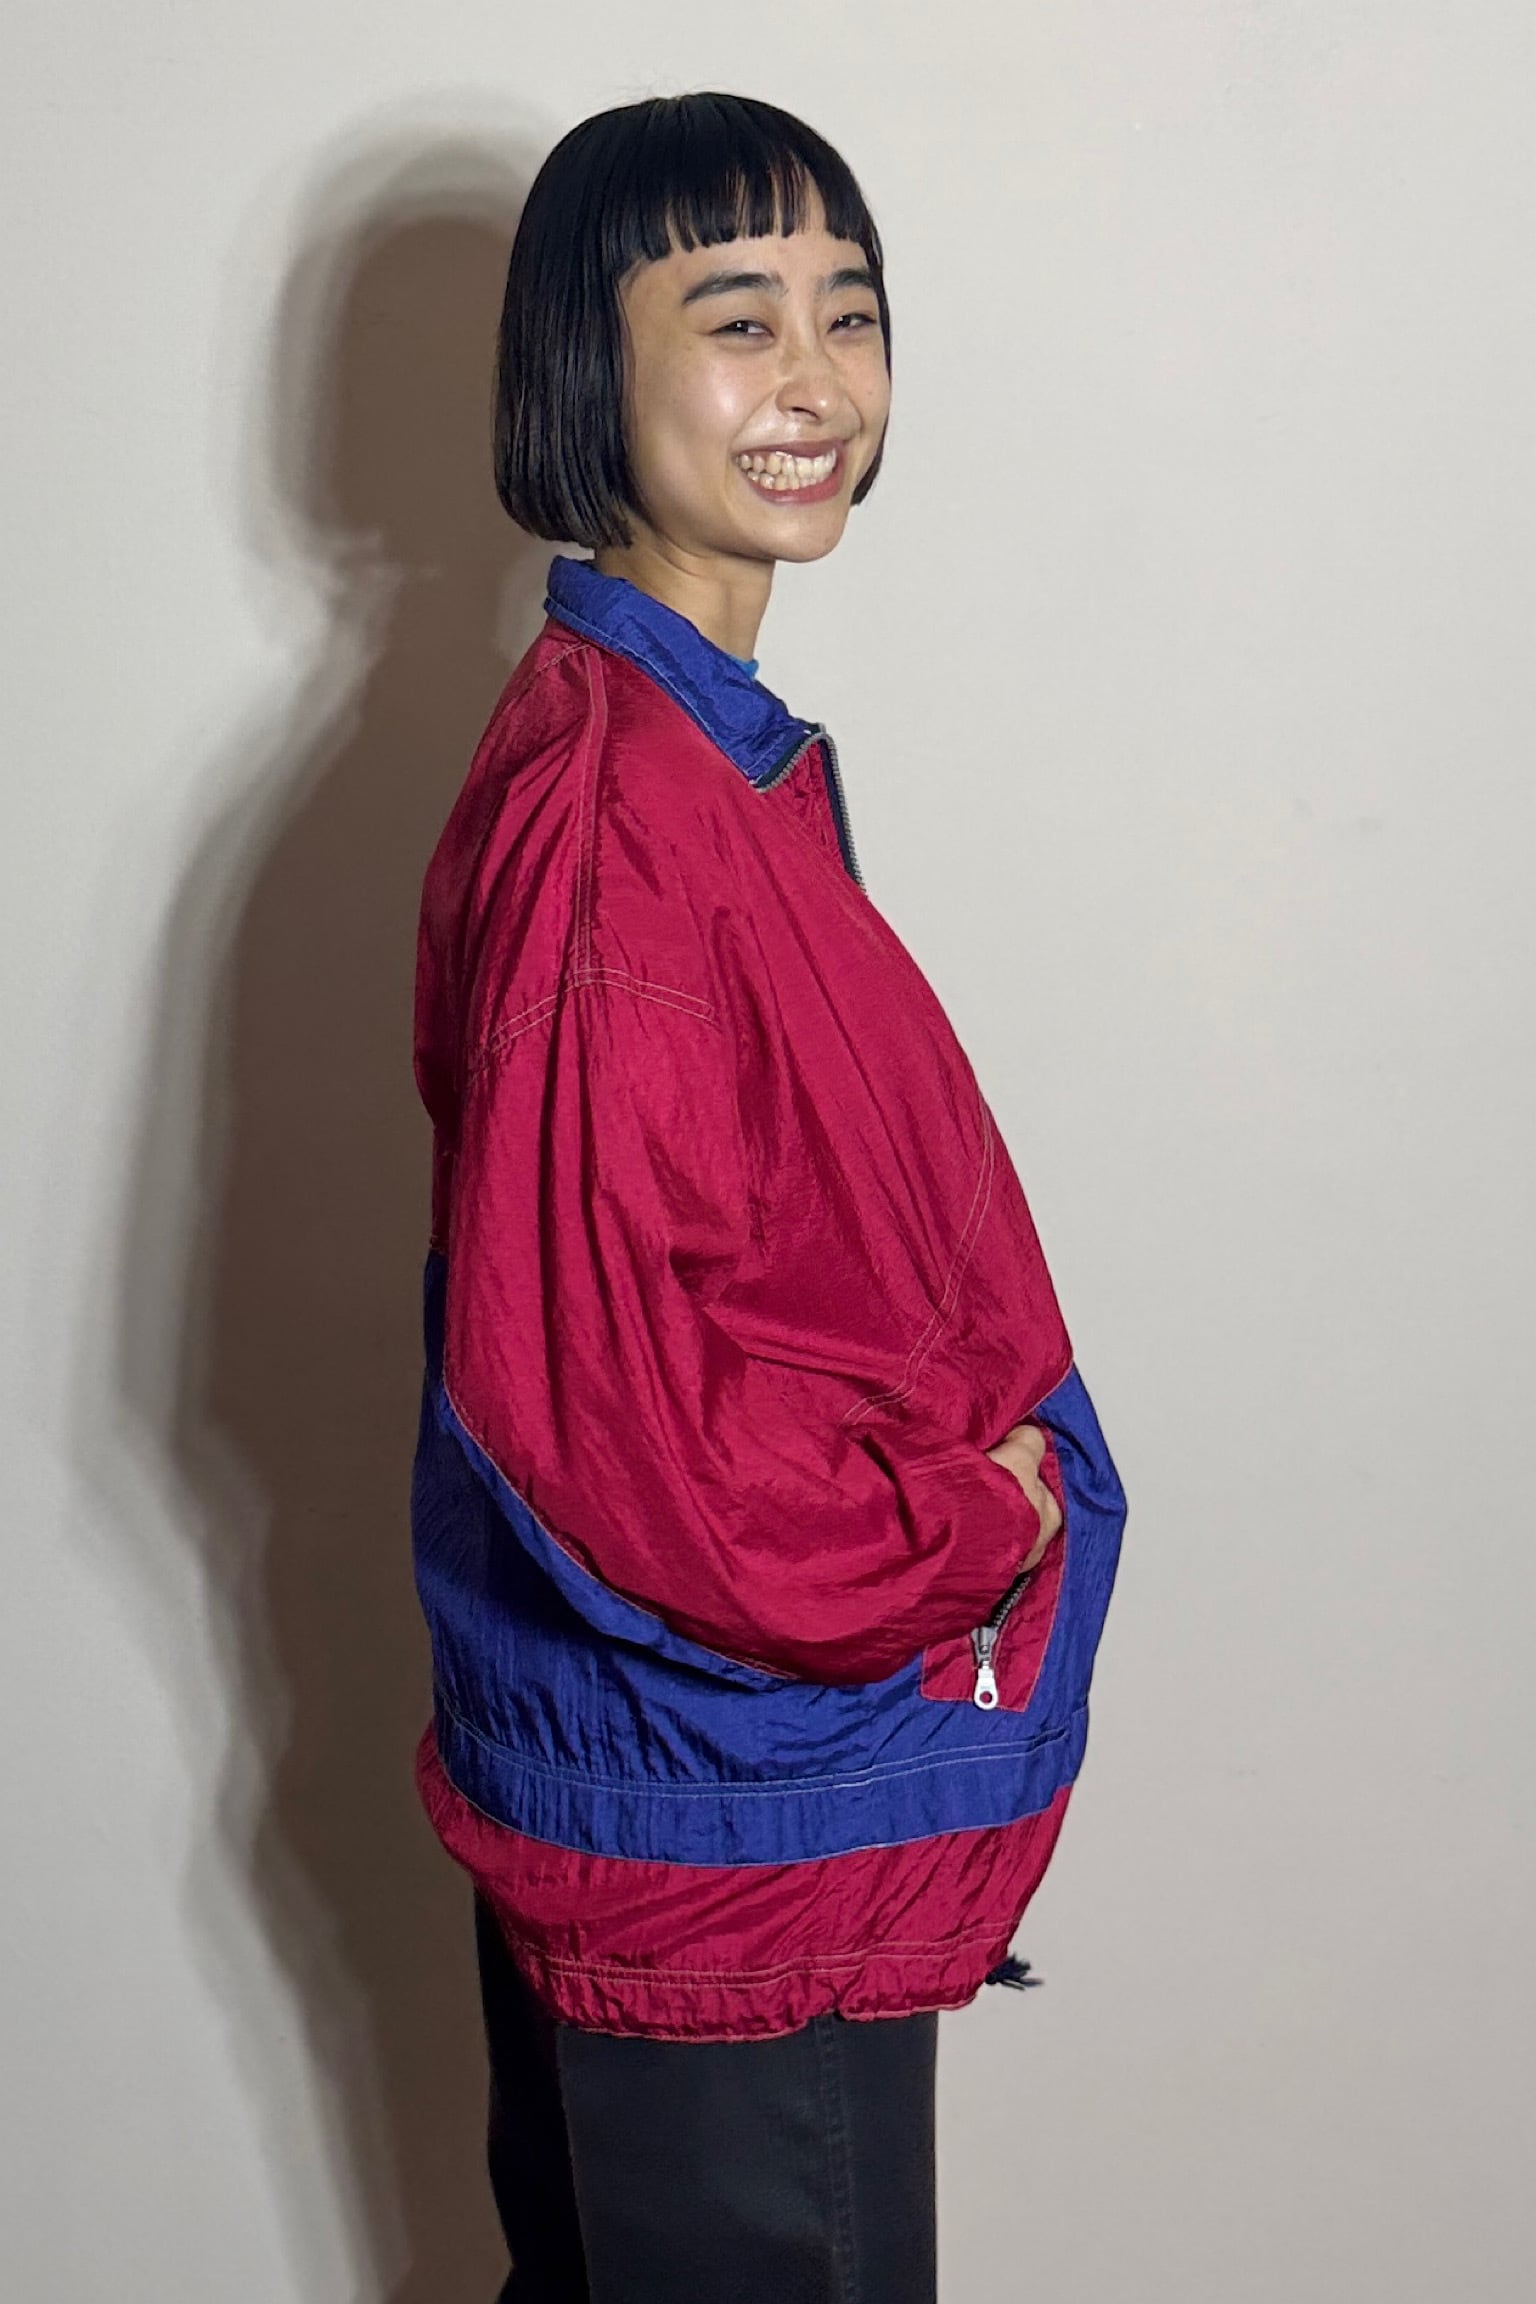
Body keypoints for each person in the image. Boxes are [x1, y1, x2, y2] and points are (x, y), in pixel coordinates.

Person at [409, 89, 1128, 2304]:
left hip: (709, 1785)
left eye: (851, 314)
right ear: (585, 361)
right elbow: (612, 1418)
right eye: (736, 321)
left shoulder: (690, 751)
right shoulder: (622, 819)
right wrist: (970, 1527)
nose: (813, 381)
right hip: (730, 1808)